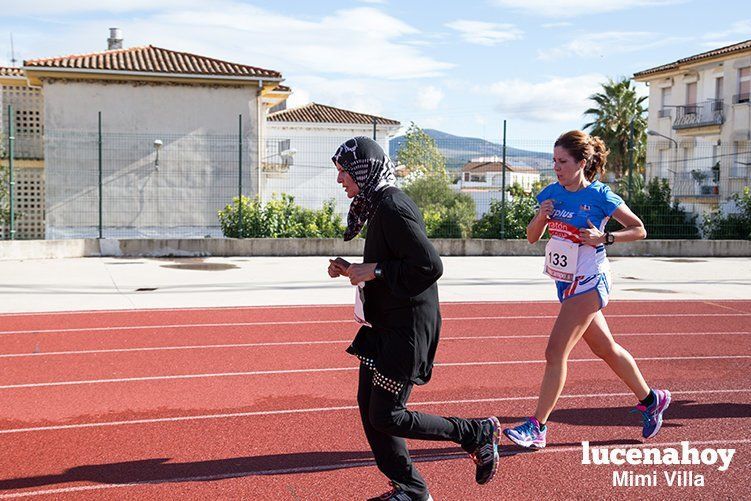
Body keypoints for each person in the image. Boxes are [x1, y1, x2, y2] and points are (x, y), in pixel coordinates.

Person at [327, 137, 500, 501]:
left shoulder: (391, 206)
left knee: (387, 415)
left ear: (363, 169)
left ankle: (474, 432)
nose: (340, 179)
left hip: (407, 329)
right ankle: (409, 489)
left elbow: (429, 266)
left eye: (344, 171)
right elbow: (392, 263)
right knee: (370, 406)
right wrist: (354, 270)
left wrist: (372, 271)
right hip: (386, 324)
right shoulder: (378, 205)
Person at [503, 130, 671, 450]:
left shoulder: (601, 196)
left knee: (555, 352)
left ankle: (537, 427)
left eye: (563, 161)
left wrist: (604, 238)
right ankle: (651, 400)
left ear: (581, 163)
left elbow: (639, 229)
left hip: (591, 281)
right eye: (554, 160)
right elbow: (530, 237)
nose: (556, 167)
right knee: (605, 349)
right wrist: (541, 216)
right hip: (566, 283)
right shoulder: (551, 193)